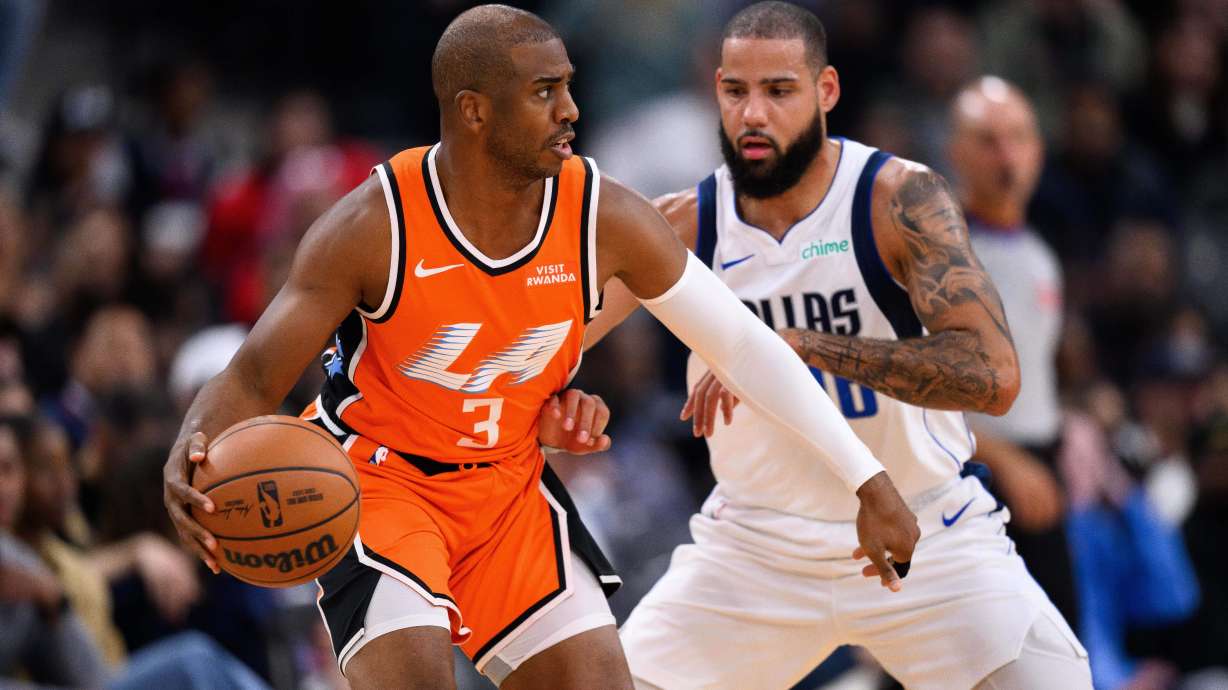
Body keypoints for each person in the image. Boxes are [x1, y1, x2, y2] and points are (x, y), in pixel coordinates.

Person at [161, 5, 920, 689]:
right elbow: (256, 376)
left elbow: (742, 345)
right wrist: (190, 451)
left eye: (569, 86)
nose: (572, 110)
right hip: (382, 486)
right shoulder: (374, 225)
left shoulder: (604, 216)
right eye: (545, 92)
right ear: (474, 113)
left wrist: (868, 480)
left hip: (508, 493)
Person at [585, 3, 1091, 688]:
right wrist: (557, 401)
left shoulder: (897, 199)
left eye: (778, 90)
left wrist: (809, 346)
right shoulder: (682, 223)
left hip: (926, 536)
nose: (753, 114)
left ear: (826, 91)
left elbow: (992, 377)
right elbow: (548, 347)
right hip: (754, 552)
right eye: (736, 91)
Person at [949, 76, 1080, 632]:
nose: (1007, 155)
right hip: (971, 470)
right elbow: (907, 390)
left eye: (1018, 137)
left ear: (1038, 150)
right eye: (988, 139)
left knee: (1056, 647)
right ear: (956, 151)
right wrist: (1003, 460)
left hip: (1041, 469)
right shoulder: (937, 253)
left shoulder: (1039, 255)